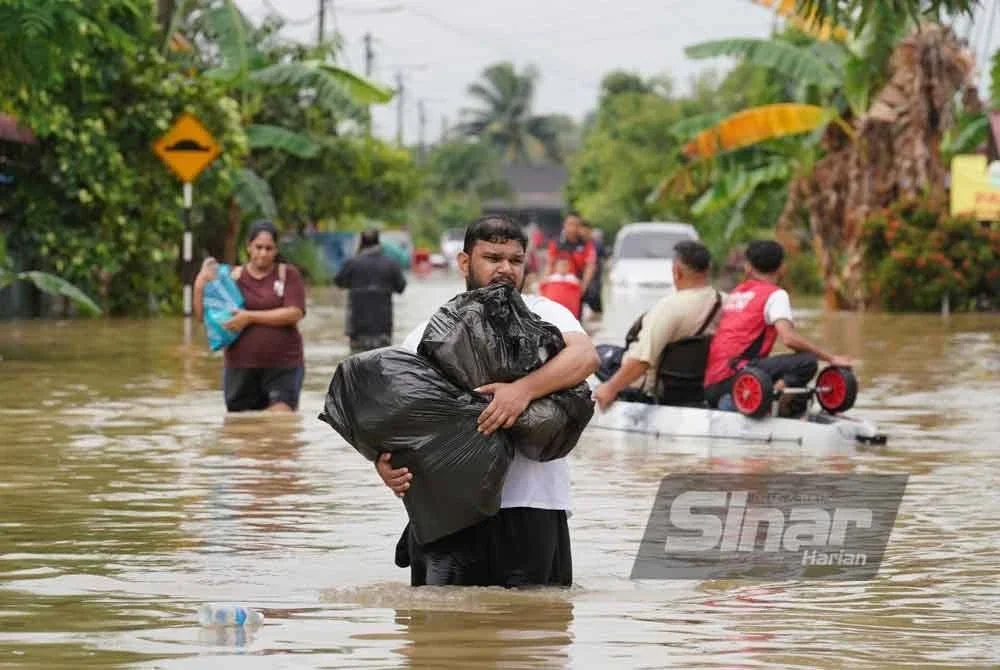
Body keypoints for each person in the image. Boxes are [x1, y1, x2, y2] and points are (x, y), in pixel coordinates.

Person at [377, 214, 599, 588]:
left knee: (535, 631)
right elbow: (395, 414)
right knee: (441, 636)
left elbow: (585, 357)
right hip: (448, 511)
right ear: (465, 262)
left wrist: (522, 391)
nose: (506, 269)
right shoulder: (431, 331)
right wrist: (383, 465)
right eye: (493, 258)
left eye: (515, 260)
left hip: (532, 506)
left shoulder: (544, 313)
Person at [703, 240, 852, 417]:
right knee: (807, 362)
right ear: (782, 268)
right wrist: (831, 358)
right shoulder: (775, 294)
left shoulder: (737, 293)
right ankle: (769, 400)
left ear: (747, 268)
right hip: (738, 378)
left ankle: (768, 397)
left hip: (711, 384)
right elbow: (788, 339)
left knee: (782, 369)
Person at [193, 219, 307, 412]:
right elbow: (203, 316)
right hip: (240, 368)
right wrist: (200, 284)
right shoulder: (231, 277)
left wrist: (249, 317)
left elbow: (294, 313)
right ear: (248, 247)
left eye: (269, 248)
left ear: (276, 250)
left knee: (282, 424)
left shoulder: (288, 274)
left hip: (283, 365)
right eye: (258, 247)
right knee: (243, 431)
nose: (263, 253)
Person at [593, 241, 722, 411]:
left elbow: (642, 360)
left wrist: (610, 388)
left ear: (676, 271)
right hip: (694, 382)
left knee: (596, 355)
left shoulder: (669, 307)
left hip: (648, 384)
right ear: (708, 269)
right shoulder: (723, 301)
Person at [334, 228, 407, 353]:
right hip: (383, 328)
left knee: (357, 365)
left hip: (358, 328)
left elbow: (339, 282)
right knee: (381, 365)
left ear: (361, 243)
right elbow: (401, 287)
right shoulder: (391, 264)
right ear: (378, 243)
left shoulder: (352, 263)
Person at [545, 212, 597, 312]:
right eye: (570, 224)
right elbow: (550, 264)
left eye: (576, 225)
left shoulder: (587, 244)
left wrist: (583, 286)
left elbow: (590, 266)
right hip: (559, 288)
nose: (573, 228)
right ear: (564, 225)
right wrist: (545, 283)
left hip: (577, 287)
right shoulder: (556, 243)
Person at [579, 221, 606, 320]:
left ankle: (596, 316)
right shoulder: (578, 244)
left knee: (594, 297)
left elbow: (604, 259)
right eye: (582, 231)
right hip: (582, 277)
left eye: (586, 231)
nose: (584, 233)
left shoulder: (597, 244)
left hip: (595, 277)